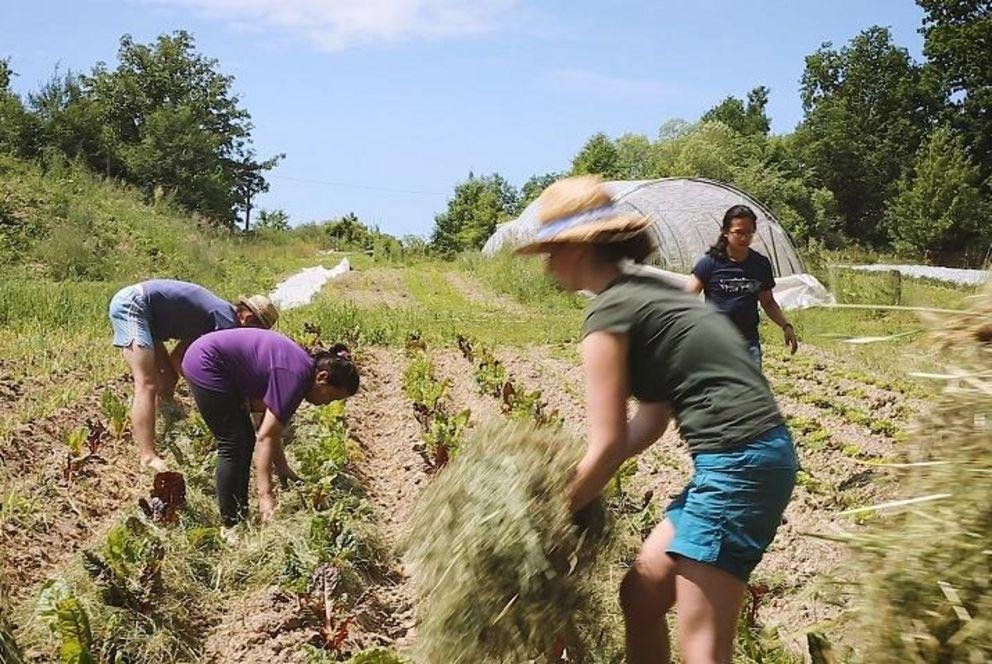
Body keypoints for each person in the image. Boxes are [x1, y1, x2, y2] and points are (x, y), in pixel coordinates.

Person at [516, 176, 796, 664]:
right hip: (747, 459)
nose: (547, 263)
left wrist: (549, 519)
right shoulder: (647, 293)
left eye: (551, 250)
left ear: (578, 249)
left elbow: (606, 447)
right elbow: (649, 422)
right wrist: (577, 483)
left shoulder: (609, 314)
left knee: (703, 649)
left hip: (737, 466)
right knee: (641, 595)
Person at [181, 328, 359, 529]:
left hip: (216, 361)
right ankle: (230, 523)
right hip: (207, 362)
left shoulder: (302, 370)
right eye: (331, 396)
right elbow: (265, 437)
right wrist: (266, 497)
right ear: (322, 377)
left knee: (245, 439)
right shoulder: (295, 377)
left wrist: (282, 468)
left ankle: (240, 512)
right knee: (233, 442)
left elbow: (270, 430)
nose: (327, 404)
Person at [109, 279, 278, 472]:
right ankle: (147, 456)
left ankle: (168, 419)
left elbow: (179, 358)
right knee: (147, 383)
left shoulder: (212, 320)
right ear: (247, 318)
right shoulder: (225, 322)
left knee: (169, 378)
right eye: (258, 332)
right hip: (134, 305)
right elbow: (227, 375)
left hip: (150, 318)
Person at [684, 205, 798, 368]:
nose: (744, 238)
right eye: (738, 232)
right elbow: (685, 298)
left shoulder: (760, 264)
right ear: (725, 232)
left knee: (750, 390)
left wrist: (786, 326)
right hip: (715, 343)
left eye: (749, 233)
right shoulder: (710, 263)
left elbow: (768, 302)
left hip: (748, 343)